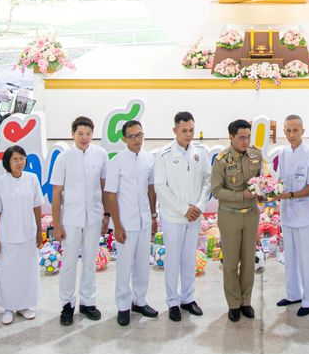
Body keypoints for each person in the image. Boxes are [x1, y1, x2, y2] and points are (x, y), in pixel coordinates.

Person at [51, 115, 109, 326]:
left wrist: (107, 215)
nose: (84, 137)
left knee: (90, 262)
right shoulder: (64, 158)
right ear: (72, 134)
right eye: (80, 133)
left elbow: (104, 188)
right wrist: (57, 224)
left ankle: (88, 303)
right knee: (68, 264)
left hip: (94, 217)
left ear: (93, 134)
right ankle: (67, 305)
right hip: (71, 219)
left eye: (88, 134)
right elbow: (56, 193)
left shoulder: (101, 155)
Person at [155, 111, 211, 322]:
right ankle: (172, 302)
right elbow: (161, 186)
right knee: (173, 260)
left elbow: (208, 181)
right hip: (174, 217)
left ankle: (188, 298)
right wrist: (183, 209)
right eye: (184, 131)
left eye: (191, 130)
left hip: (194, 216)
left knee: (189, 259)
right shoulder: (164, 154)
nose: (188, 135)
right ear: (175, 130)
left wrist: (199, 206)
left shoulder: (201, 153)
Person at [104, 119, 159, 326]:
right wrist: (116, 225)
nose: (138, 140)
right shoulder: (116, 161)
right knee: (124, 266)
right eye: (133, 136)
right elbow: (110, 195)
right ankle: (123, 306)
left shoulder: (148, 159)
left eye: (140, 135)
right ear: (124, 139)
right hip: (125, 223)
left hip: (144, 220)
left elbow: (151, 189)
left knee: (142, 265)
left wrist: (153, 216)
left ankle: (140, 301)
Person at [211, 119, 263, 322]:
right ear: (231, 137)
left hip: (251, 215)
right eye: (241, 137)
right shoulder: (221, 160)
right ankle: (233, 303)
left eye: (248, 137)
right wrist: (243, 195)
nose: (245, 141)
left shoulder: (255, 155)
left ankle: (245, 301)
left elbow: (261, 179)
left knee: (249, 261)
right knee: (231, 262)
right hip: (230, 215)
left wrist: (263, 192)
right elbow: (216, 190)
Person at [0, 145, 44, 325]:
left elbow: (37, 206)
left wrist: (38, 230)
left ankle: (24, 305)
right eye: (15, 159)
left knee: (26, 271)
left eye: (22, 158)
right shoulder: (0, 182)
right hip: (8, 235)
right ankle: (8, 307)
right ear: (7, 162)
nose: (19, 162)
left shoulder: (32, 179)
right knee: (8, 272)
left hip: (28, 233)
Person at [275, 114, 309, 317]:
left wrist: (290, 195)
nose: (291, 134)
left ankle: (308, 299)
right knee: (290, 257)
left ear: (303, 130)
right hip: (286, 214)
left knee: (306, 259)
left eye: (295, 130)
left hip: (303, 215)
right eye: (288, 130)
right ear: (283, 131)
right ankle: (293, 293)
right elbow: (278, 182)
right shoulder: (283, 153)